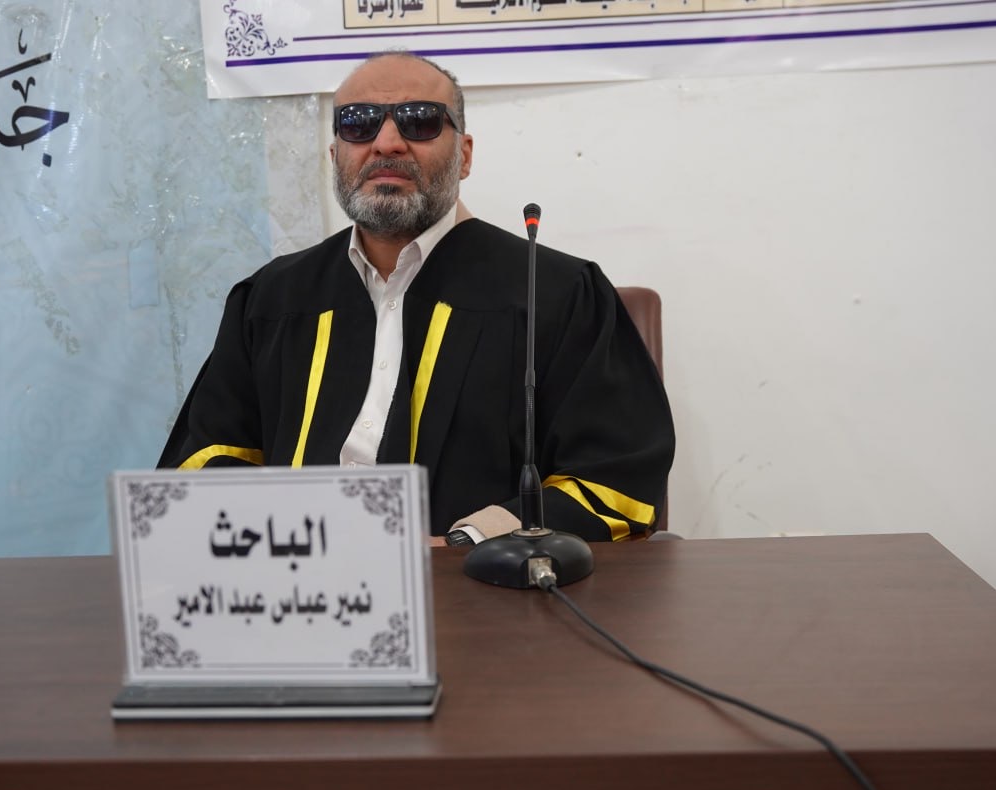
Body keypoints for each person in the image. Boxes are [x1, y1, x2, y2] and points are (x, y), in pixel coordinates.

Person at [159, 51, 674, 545]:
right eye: (358, 124)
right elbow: (209, 456)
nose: (387, 143)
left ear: (464, 155)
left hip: (478, 588)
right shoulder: (272, 298)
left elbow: (614, 481)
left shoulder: (557, 293)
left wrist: (468, 542)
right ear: (335, 155)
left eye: (419, 121)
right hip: (296, 583)